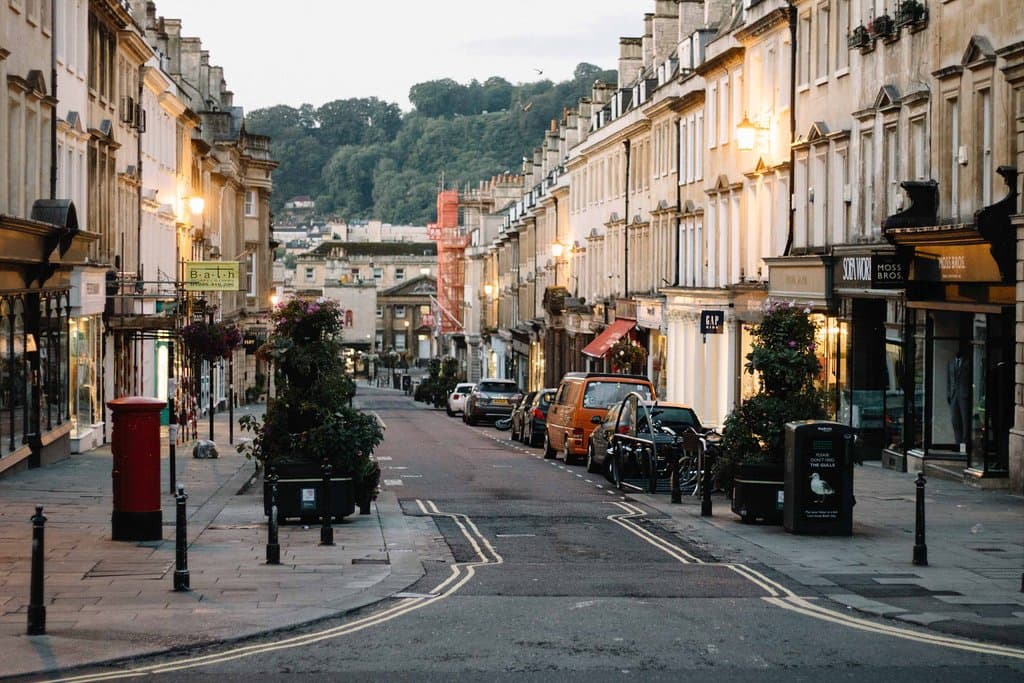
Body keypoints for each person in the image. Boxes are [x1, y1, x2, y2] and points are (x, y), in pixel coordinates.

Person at [947, 349, 971, 448]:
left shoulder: (967, 363)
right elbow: (948, 380)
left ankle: (965, 445)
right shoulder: (951, 363)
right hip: (953, 395)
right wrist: (948, 394)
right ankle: (958, 445)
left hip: (964, 395)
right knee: (955, 421)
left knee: (965, 421)